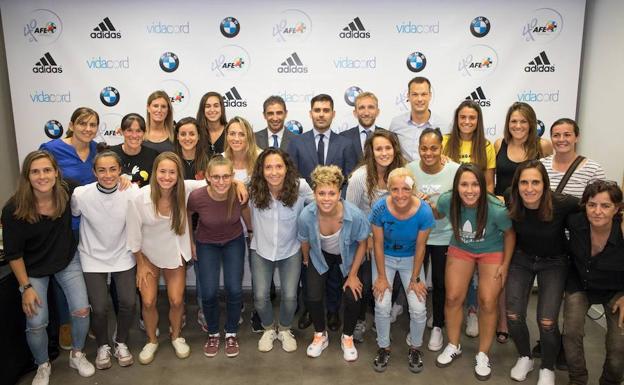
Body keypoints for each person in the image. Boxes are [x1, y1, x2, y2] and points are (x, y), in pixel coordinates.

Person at [2, 150, 95, 385]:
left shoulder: (67, 190)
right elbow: (13, 254)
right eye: (35, 171)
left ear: (56, 172)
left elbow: (100, 185)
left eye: (46, 170)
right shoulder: (13, 209)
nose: (42, 176)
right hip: (32, 269)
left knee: (82, 309)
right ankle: (42, 364)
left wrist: (123, 180)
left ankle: (77, 353)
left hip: (66, 259)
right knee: (36, 321)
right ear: (27, 176)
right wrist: (26, 287)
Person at [433, 163, 515, 381]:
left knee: (488, 300)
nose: (469, 190)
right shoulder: (446, 200)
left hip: (492, 249)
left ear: (483, 186)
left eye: (475, 184)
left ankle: (483, 354)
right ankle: (453, 344)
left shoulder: (496, 209)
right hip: (461, 248)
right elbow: (438, 213)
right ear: (456, 186)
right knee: (452, 297)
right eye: (464, 184)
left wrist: (505, 264)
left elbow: (509, 234)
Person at [504, 160, 579, 385]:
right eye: (524, 182)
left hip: (554, 262)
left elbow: (595, 206)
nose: (529, 188)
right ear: (516, 185)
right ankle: (525, 356)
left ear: (545, 184)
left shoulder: (563, 203)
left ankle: (548, 366)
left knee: (547, 321)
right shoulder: (511, 197)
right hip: (522, 259)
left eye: (535, 182)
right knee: (513, 315)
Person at [287, 93, 358, 331]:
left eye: (326, 110)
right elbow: (292, 179)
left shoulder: (345, 143)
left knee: (336, 269)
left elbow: (347, 179)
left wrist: (335, 209)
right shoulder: (297, 142)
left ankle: (332, 313)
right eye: (317, 110)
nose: (321, 114)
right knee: (310, 268)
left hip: (335, 218)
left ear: (333, 114)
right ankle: (308, 309)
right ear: (310, 113)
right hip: (307, 217)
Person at [126, 152, 204, 364]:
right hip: (147, 255)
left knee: (177, 300)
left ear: (178, 175)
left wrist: (238, 183)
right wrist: (140, 264)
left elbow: (214, 180)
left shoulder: (185, 190)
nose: (167, 177)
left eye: (172, 172)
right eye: (162, 171)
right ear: (155, 172)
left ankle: (176, 335)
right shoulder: (139, 198)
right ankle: (152, 340)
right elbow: (133, 235)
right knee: (149, 301)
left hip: (174, 251)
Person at [71, 151, 140, 370]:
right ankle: (102, 345)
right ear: (94, 172)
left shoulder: (132, 191)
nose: (107, 174)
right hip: (92, 256)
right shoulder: (81, 195)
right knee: (99, 308)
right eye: (101, 170)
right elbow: (74, 214)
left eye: (112, 169)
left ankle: (120, 342)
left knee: (128, 302)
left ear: (120, 170)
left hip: (122, 254)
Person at [39, 106, 100, 351]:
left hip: (91, 224)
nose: (88, 129)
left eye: (92, 125)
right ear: (72, 125)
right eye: (82, 124)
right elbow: (41, 180)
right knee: (62, 271)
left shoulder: (97, 150)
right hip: (62, 224)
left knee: (87, 274)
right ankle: (65, 323)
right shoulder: (51, 149)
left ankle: (87, 318)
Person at [298, 165, 369, 361]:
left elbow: (363, 244)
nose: (326, 198)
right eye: (321, 193)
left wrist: (353, 275)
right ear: (314, 193)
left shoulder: (354, 215)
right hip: (321, 255)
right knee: (312, 295)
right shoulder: (306, 215)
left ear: (340, 193)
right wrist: (306, 261)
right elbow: (304, 241)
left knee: (354, 296)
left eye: (332, 193)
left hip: (349, 257)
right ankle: (320, 334)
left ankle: (347, 337)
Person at [369, 167, 435, 373]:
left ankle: (415, 347)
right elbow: (378, 244)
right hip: (385, 259)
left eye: (406, 189)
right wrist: (381, 277)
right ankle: (383, 346)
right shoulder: (379, 208)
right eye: (395, 189)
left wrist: (416, 278)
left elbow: (421, 247)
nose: (400, 195)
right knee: (381, 304)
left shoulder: (424, 210)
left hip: (411, 260)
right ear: (388, 190)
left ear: (413, 189)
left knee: (418, 307)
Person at [248, 148, 314, 352]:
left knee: (290, 296)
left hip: (291, 249)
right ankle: (269, 328)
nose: (274, 172)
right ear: (261, 169)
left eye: (279, 166)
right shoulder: (252, 187)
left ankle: (284, 329)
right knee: (259, 296)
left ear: (287, 168)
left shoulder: (300, 186)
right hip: (261, 249)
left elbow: (318, 203)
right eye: (268, 167)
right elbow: (229, 186)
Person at [187, 155, 251, 358]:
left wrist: (251, 232)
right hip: (206, 244)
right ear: (207, 177)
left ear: (232, 176)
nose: (221, 182)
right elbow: (187, 215)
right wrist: (190, 242)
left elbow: (245, 211)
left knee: (234, 289)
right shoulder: (197, 197)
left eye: (226, 177)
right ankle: (213, 333)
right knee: (208, 291)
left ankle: (231, 332)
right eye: (216, 177)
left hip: (233, 241)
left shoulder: (238, 192)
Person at [346, 130, 406, 343]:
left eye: (388, 148)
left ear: (394, 149)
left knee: (394, 277)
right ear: (371, 152)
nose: (384, 153)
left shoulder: (402, 174)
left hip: (394, 238)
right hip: (364, 238)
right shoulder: (359, 178)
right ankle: (360, 319)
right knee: (366, 279)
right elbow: (351, 214)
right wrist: (369, 236)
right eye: (378, 148)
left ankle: (383, 313)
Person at [563, 180, 624, 385]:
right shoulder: (576, 221)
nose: (597, 211)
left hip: (616, 290)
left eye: (605, 206)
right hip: (580, 283)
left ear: (616, 209)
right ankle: (577, 379)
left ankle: (610, 381)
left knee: (619, 346)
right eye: (592, 205)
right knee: (571, 332)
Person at [407, 127, 460, 352]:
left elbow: (458, 204)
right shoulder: (409, 170)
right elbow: (400, 200)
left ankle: (438, 325)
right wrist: (416, 204)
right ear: (418, 148)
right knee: (415, 279)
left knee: (440, 283)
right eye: (424, 148)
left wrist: (436, 209)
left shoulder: (455, 170)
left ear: (442, 149)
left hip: (443, 236)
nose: (428, 153)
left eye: (434, 148)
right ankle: (417, 322)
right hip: (417, 235)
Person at [494, 102, 553, 196]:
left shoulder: (543, 146)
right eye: (513, 121)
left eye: (523, 121)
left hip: (531, 206)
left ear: (531, 124)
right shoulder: (499, 144)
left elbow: (549, 181)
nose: (518, 126)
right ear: (508, 123)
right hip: (502, 206)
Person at [540, 118, 605, 199]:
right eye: (556, 135)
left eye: (567, 135)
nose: (561, 139)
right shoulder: (541, 165)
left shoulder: (594, 170)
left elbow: (598, 205)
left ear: (577, 138)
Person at [388, 76, 449, 162]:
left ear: (430, 96)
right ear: (408, 96)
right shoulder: (396, 124)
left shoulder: (444, 126)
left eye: (424, 94)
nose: (420, 99)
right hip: (404, 173)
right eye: (415, 94)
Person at [443, 100, 496, 193]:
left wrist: (487, 205)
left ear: (478, 120)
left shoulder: (486, 146)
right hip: (449, 198)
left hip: (476, 199)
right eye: (463, 117)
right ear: (457, 119)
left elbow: (489, 184)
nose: (467, 121)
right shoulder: (443, 142)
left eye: (472, 118)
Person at [109, 113, 159, 187]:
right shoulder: (110, 154)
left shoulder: (153, 155)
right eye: (129, 130)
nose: (134, 135)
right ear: (121, 131)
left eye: (138, 131)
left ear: (144, 133)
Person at [340, 91, 385, 162]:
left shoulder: (388, 136)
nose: (366, 113)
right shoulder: (343, 138)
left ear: (377, 112)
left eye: (371, 107)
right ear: (355, 113)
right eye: (361, 108)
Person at [224, 116, 261, 183]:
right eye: (232, 134)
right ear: (227, 136)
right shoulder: (221, 159)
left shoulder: (261, 157)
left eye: (242, 134)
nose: (236, 139)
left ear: (249, 137)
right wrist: (236, 183)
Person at [197, 91, 228, 157]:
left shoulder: (230, 131)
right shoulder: (196, 132)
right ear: (202, 110)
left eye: (216, 106)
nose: (212, 110)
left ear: (221, 108)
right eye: (208, 106)